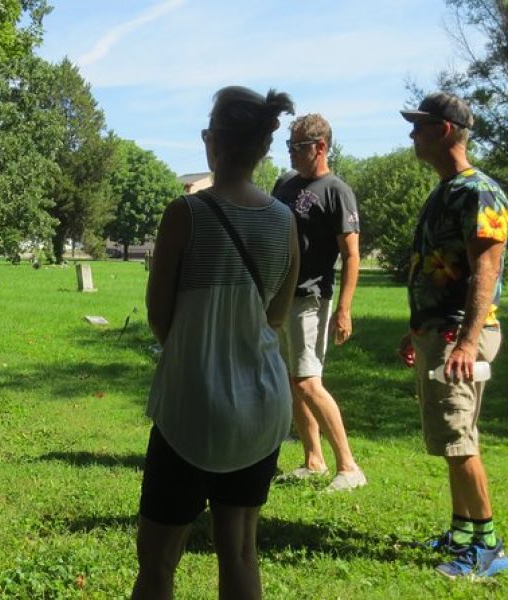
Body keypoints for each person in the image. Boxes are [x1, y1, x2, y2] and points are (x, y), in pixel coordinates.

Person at [132, 86, 299, 600]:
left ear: (214, 143)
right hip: (262, 408)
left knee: (158, 560)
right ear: (262, 149)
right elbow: (275, 315)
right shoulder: (284, 221)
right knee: (241, 551)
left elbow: (161, 319)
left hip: (193, 408)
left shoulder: (186, 214)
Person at [398, 92, 508, 578]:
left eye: (419, 125)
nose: (412, 134)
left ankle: (488, 547)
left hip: (459, 337)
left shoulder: (478, 191)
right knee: (451, 436)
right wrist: (416, 327)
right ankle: (463, 530)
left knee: (459, 438)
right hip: (438, 331)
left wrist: (464, 340)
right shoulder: (447, 189)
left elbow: (487, 268)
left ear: (445, 130)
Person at [272, 114, 366, 492]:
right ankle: (314, 460)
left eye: (298, 147)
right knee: (291, 382)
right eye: (289, 146)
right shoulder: (283, 185)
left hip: (311, 296)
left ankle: (349, 466)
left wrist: (344, 308)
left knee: (309, 381)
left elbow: (352, 254)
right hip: (279, 296)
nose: (291, 153)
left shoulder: (336, 191)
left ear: (320, 147)